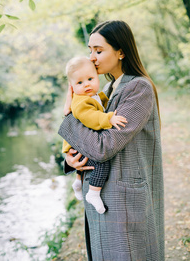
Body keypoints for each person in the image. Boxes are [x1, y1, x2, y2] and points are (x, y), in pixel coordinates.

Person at [58, 20, 164, 261]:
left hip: (124, 197)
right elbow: (90, 134)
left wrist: (67, 117)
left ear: (121, 51)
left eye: (98, 50)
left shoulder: (138, 88)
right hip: (105, 192)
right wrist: (71, 160)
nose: (92, 57)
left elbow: (103, 146)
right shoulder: (106, 88)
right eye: (90, 50)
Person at [62, 56, 127, 214]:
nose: (86, 85)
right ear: (72, 88)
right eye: (79, 83)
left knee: (86, 162)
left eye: (90, 79)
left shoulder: (94, 96)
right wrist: (108, 118)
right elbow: (91, 118)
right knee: (100, 162)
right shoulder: (81, 102)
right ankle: (94, 192)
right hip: (79, 144)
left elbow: (100, 105)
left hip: (79, 142)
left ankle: (78, 181)